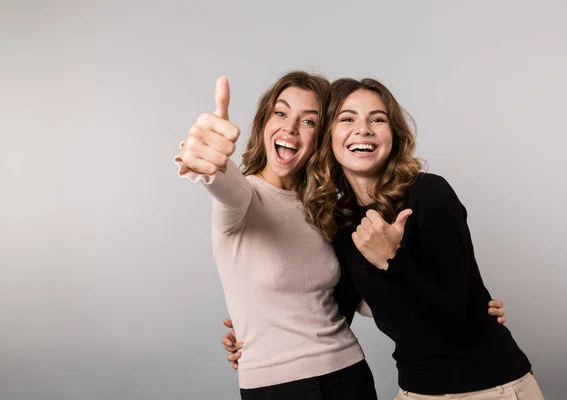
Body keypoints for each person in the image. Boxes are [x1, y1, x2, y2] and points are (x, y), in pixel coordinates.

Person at [221, 77, 540, 399]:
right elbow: (333, 307)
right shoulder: (340, 221)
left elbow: (453, 324)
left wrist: (390, 260)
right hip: (415, 390)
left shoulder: (429, 193)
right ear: (326, 137)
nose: (364, 129)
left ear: (394, 135)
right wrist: (257, 332)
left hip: (489, 386)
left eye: (378, 119)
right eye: (347, 119)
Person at [175, 72, 378, 399]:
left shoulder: (325, 209)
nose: (290, 128)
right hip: (275, 388)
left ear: (321, 137)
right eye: (281, 113)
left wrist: (466, 300)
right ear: (263, 122)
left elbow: (371, 301)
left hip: (348, 373)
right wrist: (208, 158)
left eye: (308, 121)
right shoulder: (245, 198)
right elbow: (223, 181)